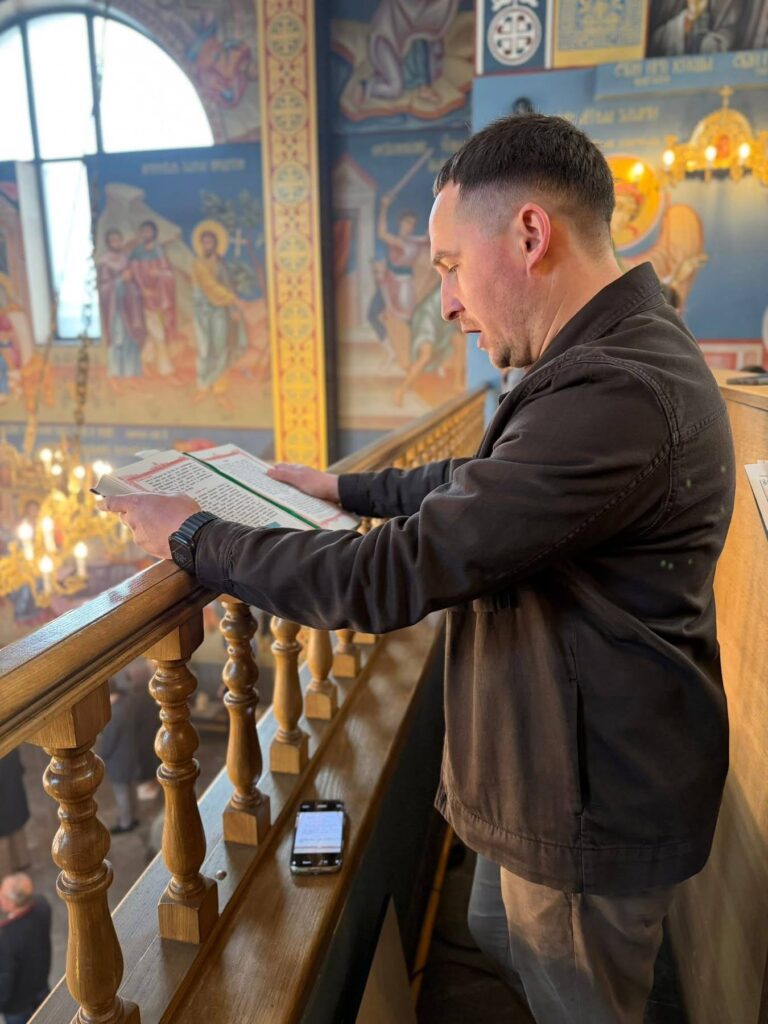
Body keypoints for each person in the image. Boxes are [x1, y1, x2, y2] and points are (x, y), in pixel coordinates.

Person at [101, 114, 735, 1024]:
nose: (445, 302)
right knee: (496, 932)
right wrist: (343, 487)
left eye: (449, 266)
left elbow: (390, 577)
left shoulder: (615, 389)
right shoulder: (613, 355)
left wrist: (198, 535)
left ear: (529, 234)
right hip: (562, 773)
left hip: (587, 805)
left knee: (579, 998)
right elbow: (489, 481)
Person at [190, 220, 248, 399]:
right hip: (203, 312)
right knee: (204, 349)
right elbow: (210, 286)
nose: (207, 245)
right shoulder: (197, 264)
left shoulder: (222, 265)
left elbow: (228, 286)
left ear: (216, 244)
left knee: (221, 347)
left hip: (221, 312)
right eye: (204, 242)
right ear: (200, 244)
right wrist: (235, 300)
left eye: (210, 242)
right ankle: (203, 387)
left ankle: (220, 389)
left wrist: (233, 309)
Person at [97, 228, 147, 387]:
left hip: (130, 308)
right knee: (117, 341)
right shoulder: (105, 263)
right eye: (113, 240)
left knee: (131, 341)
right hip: (115, 310)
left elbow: (134, 282)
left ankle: (131, 374)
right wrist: (120, 280)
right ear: (108, 243)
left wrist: (133, 285)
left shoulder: (126, 260)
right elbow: (104, 288)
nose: (117, 243)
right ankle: (115, 376)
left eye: (119, 240)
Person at [0, 873, 51, 1024]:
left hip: (17, 1005)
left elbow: (5, 979)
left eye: (2, 896)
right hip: (40, 985)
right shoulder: (42, 906)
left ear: (12, 903)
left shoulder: (6, 937)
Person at [129, 220, 176, 379]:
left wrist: (159, 274)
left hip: (160, 298)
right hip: (143, 300)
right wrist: (142, 290)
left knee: (155, 334)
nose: (146, 234)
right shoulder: (136, 253)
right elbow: (133, 276)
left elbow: (168, 274)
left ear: (154, 233)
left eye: (149, 231)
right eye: (144, 231)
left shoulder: (159, 251)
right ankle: (166, 370)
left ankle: (142, 363)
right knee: (159, 335)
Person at [99, 679, 141, 835]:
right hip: (131, 753)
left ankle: (125, 823)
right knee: (131, 788)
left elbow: (108, 744)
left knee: (121, 792)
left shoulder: (113, 715)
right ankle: (133, 817)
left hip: (118, 760)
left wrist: (101, 756)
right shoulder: (128, 702)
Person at [0, 751, 30, 879]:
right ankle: (22, 861)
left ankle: (6, 874)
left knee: (2, 839)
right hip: (12, 788)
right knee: (17, 828)